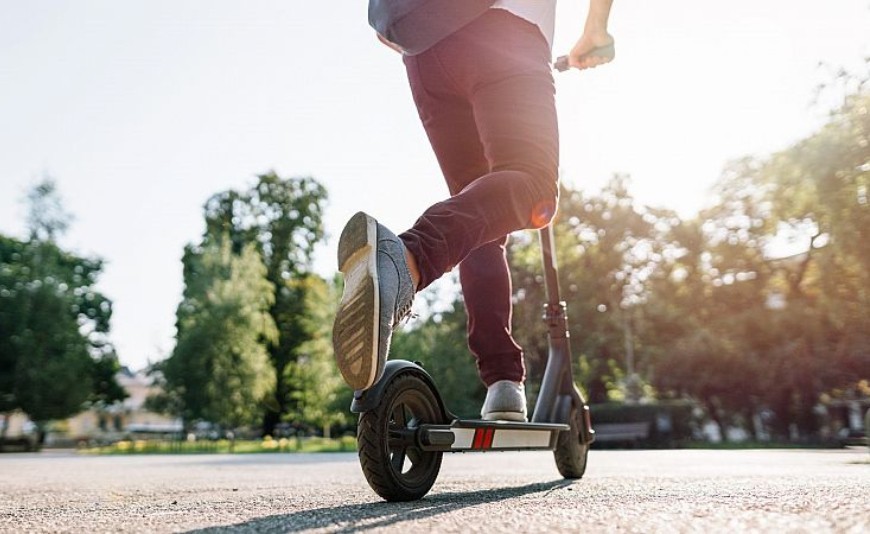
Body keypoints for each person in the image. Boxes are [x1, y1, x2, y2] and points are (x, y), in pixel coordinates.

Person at [333, 0, 615, 422]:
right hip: (507, 34)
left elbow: (384, 30)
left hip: (423, 55)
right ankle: (406, 259)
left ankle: (503, 382)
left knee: (479, 211)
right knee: (533, 185)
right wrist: (595, 28)